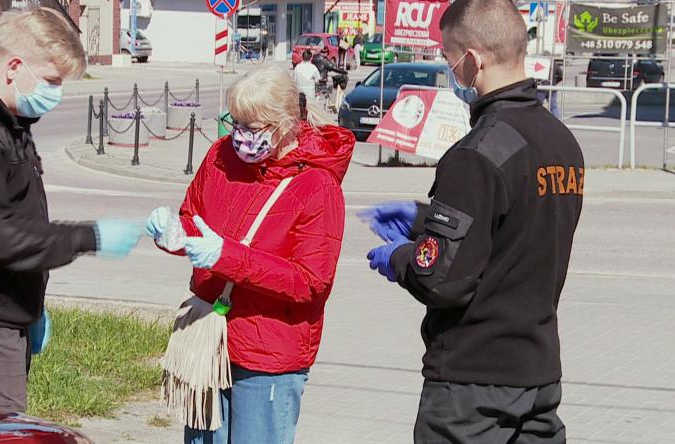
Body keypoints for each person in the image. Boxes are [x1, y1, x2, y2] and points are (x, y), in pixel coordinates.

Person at [362, 0, 584, 442]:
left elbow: (441, 281)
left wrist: (400, 258)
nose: (449, 68)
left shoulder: (477, 152)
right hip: (537, 376)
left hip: (472, 387)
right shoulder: (561, 141)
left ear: (472, 60)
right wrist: (426, 219)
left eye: (448, 57)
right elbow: (513, 228)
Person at [0, 7, 144, 412]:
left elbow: (15, 216)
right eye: (52, 81)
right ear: (15, 66)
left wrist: (28, 305)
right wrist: (90, 236)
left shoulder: (6, 121)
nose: (55, 93)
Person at [145, 66, 355, 443]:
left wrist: (225, 256)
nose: (240, 137)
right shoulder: (221, 155)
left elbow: (310, 282)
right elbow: (193, 218)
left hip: (268, 355)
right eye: (235, 123)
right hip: (210, 339)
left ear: (286, 123)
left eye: (252, 128)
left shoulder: (317, 186)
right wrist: (174, 234)